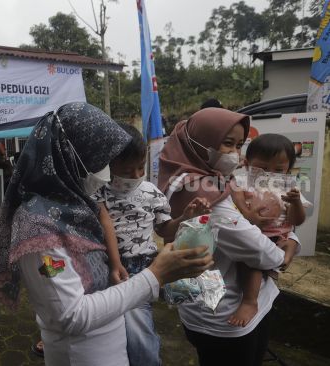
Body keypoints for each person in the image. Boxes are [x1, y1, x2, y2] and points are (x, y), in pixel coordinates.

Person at [0, 102, 214, 366]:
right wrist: (155, 276)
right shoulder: (38, 229)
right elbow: (70, 315)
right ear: (70, 158)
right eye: (101, 162)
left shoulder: (75, 205)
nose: (106, 174)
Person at [158, 107, 298, 366]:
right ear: (201, 142)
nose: (235, 153)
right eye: (228, 143)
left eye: (239, 145)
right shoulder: (206, 194)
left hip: (205, 304)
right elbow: (260, 251)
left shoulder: (189, 178)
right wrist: (286, 252)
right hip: (226, 315)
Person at [92, 123, 211, 366]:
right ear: (107, 165)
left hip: (141, 269)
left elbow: (164, 228)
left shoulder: (151, 193)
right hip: (106, 268)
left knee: (138, 334)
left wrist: (184, 219)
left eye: (140, 167)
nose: (136, 175)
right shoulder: (98, 193)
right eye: (127, 170)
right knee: (112, 332)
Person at [227, 134, 309, 327]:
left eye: (278, 169)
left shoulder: (290, 188)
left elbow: (297, 220)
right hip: (257, 235)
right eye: (262, 168)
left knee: (287, 242)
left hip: (279, 235)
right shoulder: (243, 181)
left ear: (288, 169)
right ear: (247, 164)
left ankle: (253, 297)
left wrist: (296, 203)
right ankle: (250, 300)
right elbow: (234, 195)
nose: (269, 174)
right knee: (253, 261)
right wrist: (247, 211)